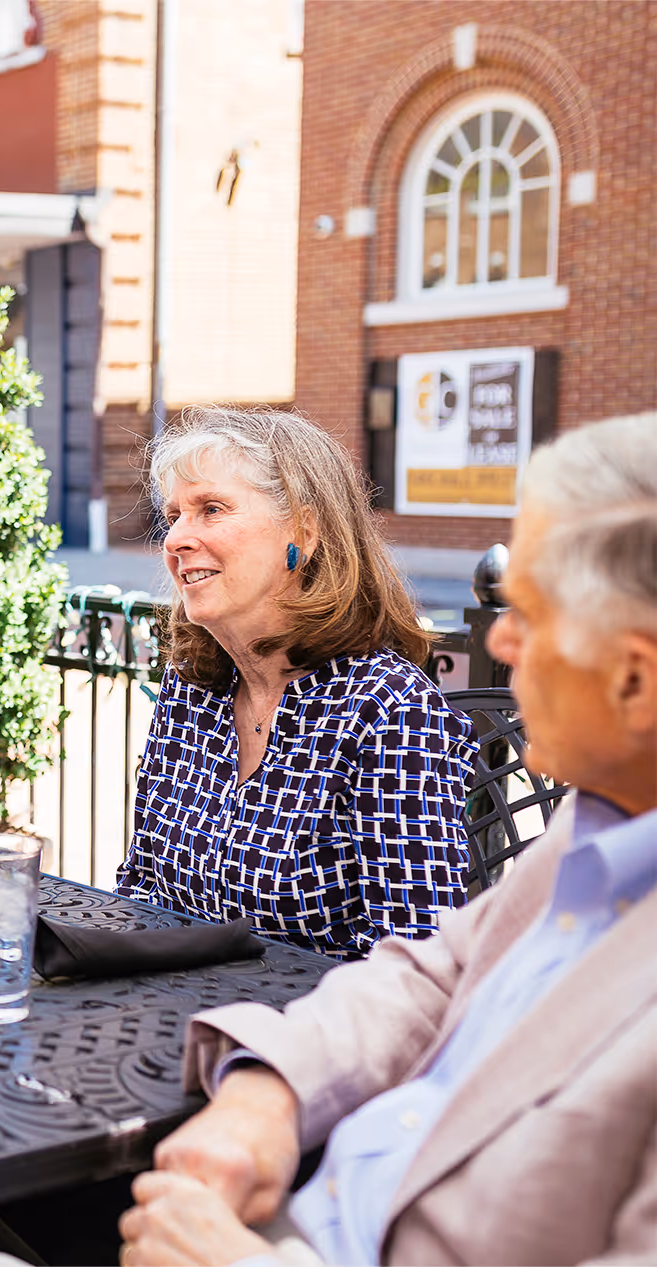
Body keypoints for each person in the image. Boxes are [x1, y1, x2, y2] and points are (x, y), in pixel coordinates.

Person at [117, 414, 657, 1266]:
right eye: (172, 514)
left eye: (535, 610)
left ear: (635, 675)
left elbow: (400, 938)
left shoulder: (385, 706)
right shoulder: (594, 836)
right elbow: (431, 970)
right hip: (221, 1112)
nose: (497, 642)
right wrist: (269, 1085)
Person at [117, 407, 474, 959]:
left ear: (303, 535)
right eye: (174, 516)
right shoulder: (192, 688)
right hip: (175, 1024)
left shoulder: (388, 709)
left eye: (211, 509)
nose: (177, 538)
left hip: (308, 1035)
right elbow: (142, 890)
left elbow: (411, 961)